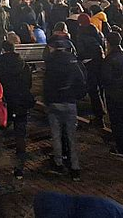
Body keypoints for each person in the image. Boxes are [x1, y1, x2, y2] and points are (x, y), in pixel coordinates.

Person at [43, 37, 86, 181]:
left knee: (56, 135)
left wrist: (47, 102)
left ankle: (59, 162)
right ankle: (75, 167)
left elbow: (47, 84)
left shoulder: (51, 63)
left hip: (55, 102)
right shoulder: (72, 61)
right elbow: (81, 80)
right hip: (69, 101)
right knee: (71, 136)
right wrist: (76, 96)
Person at [0, 39, 35, 179]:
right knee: (20, 136)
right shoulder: (23, 65)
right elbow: (29, 83)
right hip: (21, 102)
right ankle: (20, 168)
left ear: (3, 50)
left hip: (6, 104)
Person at [101, 32, 123, 157]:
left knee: (117, 121)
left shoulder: (109, 59)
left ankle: (121, 147)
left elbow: (106, 78)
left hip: (114, 94)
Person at [75, 13, 106, 125]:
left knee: (93, 90)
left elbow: (82, 51)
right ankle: (102, 110)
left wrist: (80, 58)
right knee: (100, 88)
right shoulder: (97, 32)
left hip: (89, 63)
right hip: (100, 62)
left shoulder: (81, 34)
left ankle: (99, 115)